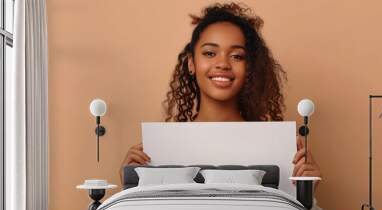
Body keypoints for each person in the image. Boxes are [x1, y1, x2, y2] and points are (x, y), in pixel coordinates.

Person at [119, 3, 322, 190]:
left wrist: (306, 191)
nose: (223, 63)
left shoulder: (278, 148)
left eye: (237, 56)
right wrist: (129, 186)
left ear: (249, 66)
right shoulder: (159, 150)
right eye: (209, 53)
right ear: (191, 63)